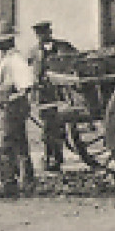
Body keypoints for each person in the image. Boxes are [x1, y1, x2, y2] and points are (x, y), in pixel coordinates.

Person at [0, 30, 37, 197]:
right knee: (17, 144)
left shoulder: (16, 61)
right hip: (7, 107)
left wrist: (8, 100)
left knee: (6, 145)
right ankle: (24, 183)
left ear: (7, 41)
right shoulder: (7, 59)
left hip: (12, 109)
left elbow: (26, 89)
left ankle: (9, 184)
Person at [29, 20, 77, 172]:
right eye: (39, 34)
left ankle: (56, 159)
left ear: (50, 32)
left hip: (60, 94)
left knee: (57, 128)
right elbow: (30, 69)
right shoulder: (33, 51)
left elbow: (76, 61)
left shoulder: (63, 47)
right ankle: (48, 156)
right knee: (47, 129)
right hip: (43, 95)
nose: (43, 36)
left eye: (45, 33)